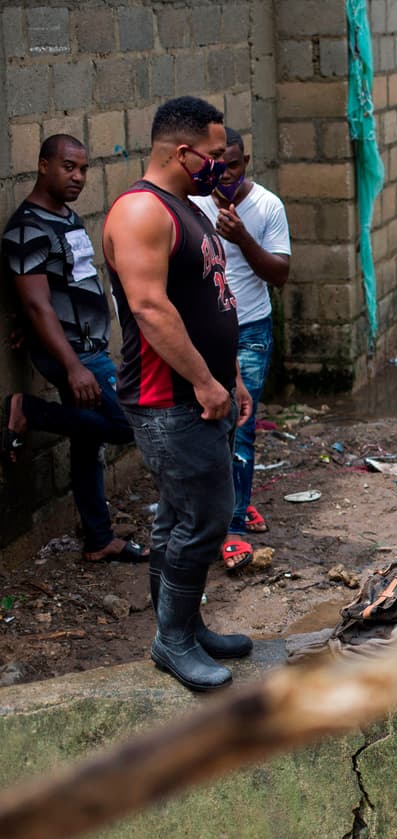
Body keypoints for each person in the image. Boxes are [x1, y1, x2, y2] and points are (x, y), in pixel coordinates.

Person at [102, 96, 253, 691]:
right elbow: (149, 307)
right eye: (215, 155)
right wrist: (202, 381)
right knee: (205, 520)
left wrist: (231, 377)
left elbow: (208, 301)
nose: (223, 165)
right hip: (170, 399)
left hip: (205, 392)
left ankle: (187, 624)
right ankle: (173, 641)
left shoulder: (186, 206)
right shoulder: (141, 211)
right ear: (183, 152)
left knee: (178, 520)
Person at [1, 134, 149, 564]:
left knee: (88, 442)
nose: (79, 177)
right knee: (126, 423)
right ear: (43, 165)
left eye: (83, 169)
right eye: (68, 167)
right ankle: (29, 410)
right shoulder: (28, 229)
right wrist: (72, 366)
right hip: (74, 355)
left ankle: (98, 537)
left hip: (85, 348)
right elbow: (34, 301)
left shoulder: (65, 217)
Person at [190, 127, 291, 571]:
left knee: (241, 428)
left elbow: (280, 274)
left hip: (248, 329)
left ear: (245, 161)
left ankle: (232, 525)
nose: (225, 174)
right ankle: (226, 504)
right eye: (218, 165)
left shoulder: (267, 206)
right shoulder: (191, 204)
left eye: (233, 165)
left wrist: (242, 238)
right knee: (201, 428)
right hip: (199, 334)